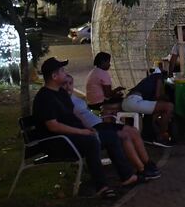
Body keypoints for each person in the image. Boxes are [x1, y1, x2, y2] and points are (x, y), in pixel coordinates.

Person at [32, 57, 129, 198]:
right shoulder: (45, 98)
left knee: (111, 136)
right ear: (54, 76)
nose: (65, 73)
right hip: (57, 142)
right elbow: (53, 126)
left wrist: (88, 128)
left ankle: (127, 176)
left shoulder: (61, 93)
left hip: (71, 137)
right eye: (62, 71)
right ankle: (101, 187)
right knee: (91, 141)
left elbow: (73, 115)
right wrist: (82, 132)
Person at [64, 74, 160, 180]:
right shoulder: (63, 101)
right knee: (125, 135)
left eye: (70, 83)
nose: (68, 87)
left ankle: (148, 164)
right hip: (92, 127)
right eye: (64, 84)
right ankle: (141, 169)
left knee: (133, 130)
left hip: (99, 122)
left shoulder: (74, 98)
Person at [123, 68, 175, 146]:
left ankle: (149, 135)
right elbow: (158, 95)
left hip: (127, 102)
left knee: (157, 109)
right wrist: (168, 98)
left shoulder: (148, 81)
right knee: (169, 107)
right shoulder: (159, 76)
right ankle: (160, 137)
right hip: (134, 101)